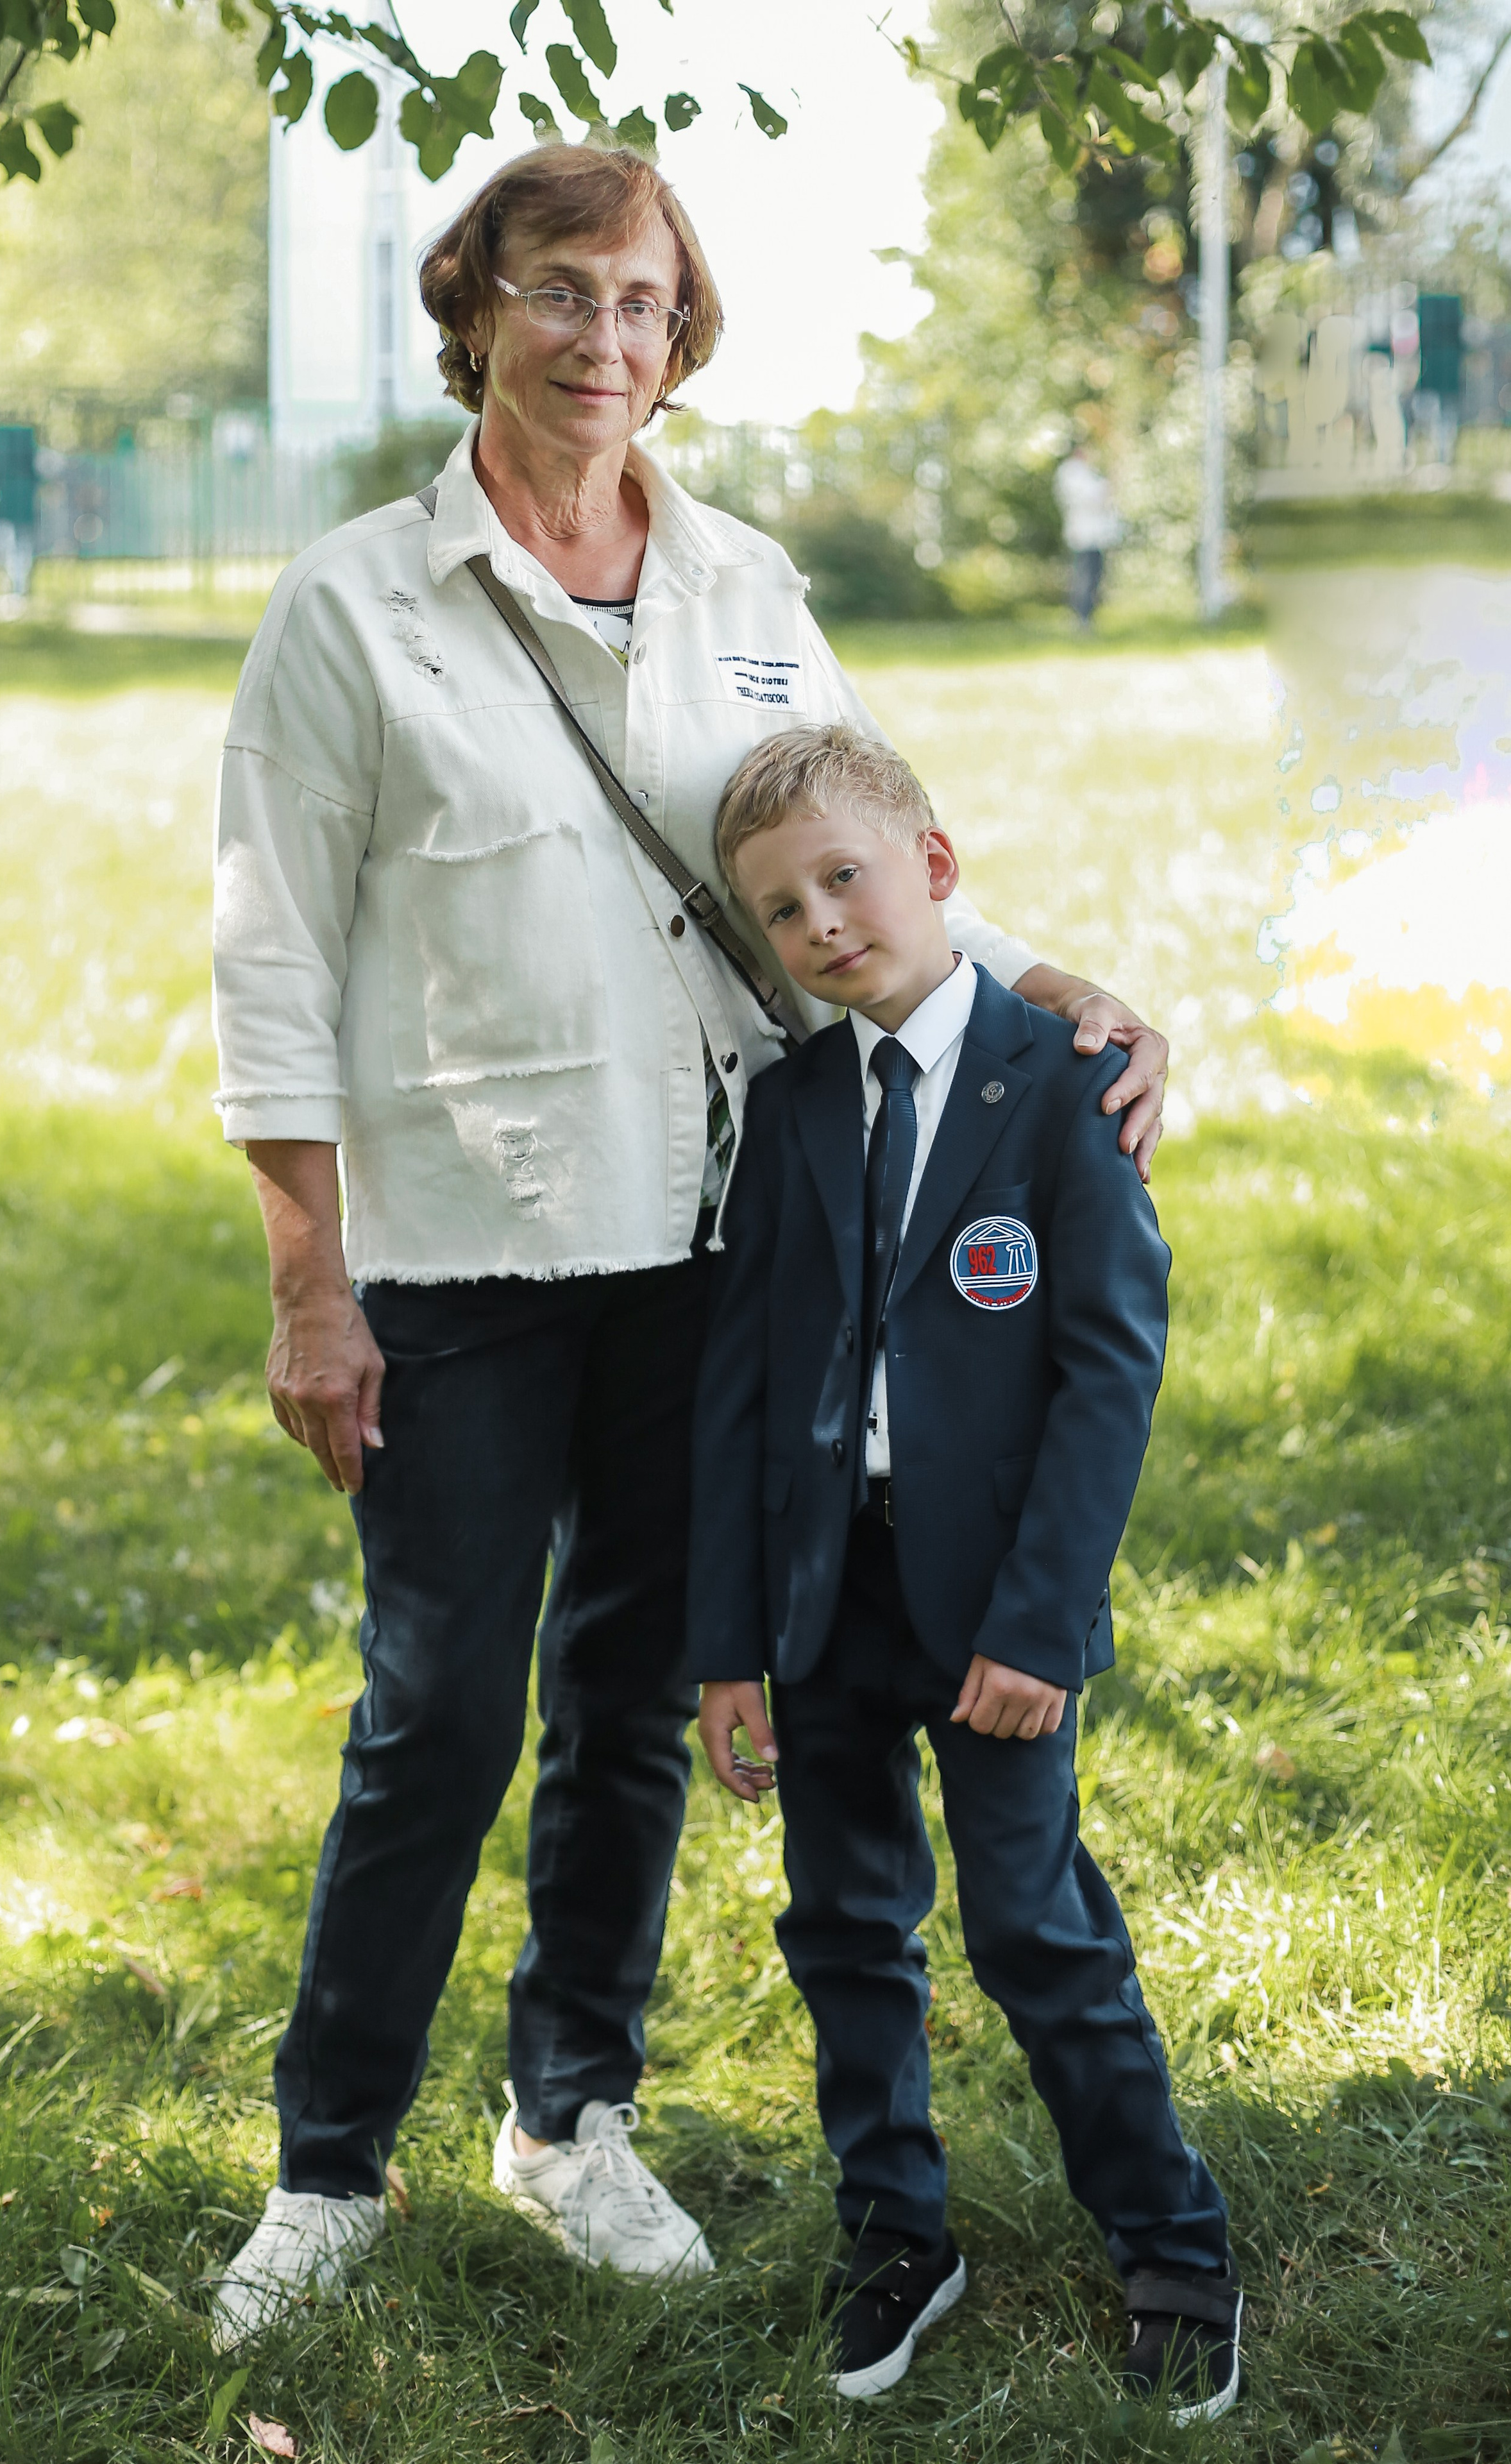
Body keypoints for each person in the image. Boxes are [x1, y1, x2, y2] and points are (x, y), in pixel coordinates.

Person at [207, 142, 1175, 2349]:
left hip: (725, 1241)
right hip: (457, 1244)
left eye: (642, 303)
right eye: (561, 295)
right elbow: (271, 964)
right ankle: (329, 2166)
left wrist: (1052, 992)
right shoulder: (355, 605)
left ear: (681, 331)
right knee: (437, 1712)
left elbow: (849, 842)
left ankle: (571, 2117)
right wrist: (308, 1276)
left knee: (629, 1699)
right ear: (477, 311)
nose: (604, 342)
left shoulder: (743, 584)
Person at [690, 724, 1239, 2419]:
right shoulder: (786, 1113)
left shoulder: (1064, 1091)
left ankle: (1173, 2251)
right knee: (845, 1926)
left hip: (998, 1607)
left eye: (844, 880)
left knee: (1034, 1930)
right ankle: (896, 2233)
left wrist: (1043, 1624)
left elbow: (1106, 1381)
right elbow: (741, 1391)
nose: (824, 926)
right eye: (783, 912)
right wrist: (729, 1642)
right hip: (822, 1602)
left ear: (936, 869)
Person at [1053, 440, 1119, 629]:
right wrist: (1107, 488)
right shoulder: (1072, 473)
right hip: (1084, 535)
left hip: (1093, 535)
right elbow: (1090, 498)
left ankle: (1086, 617)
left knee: (1093, 577)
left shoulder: (1083, 472)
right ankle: (1081, 618)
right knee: (1085, 578)